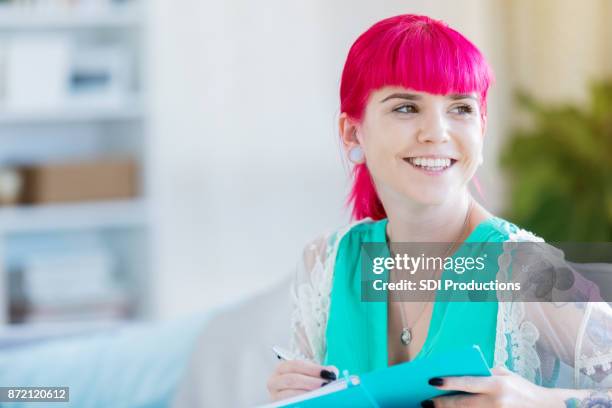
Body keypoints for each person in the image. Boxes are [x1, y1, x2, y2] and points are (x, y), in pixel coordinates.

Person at [267, 14, 612, 407]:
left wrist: (540, 402)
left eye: (460, 108)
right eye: (406, 108)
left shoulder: (523, 270)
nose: (437, 132)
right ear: (352, 132)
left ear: (481, 128)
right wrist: (289, 400)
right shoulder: (325, 266)